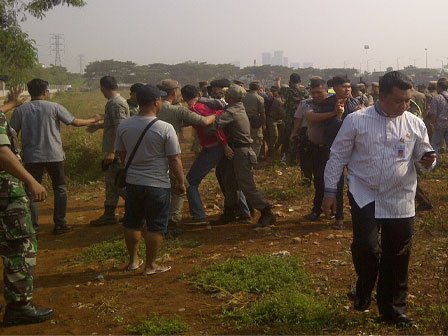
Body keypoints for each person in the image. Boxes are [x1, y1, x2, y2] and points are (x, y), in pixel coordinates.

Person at [322, 71, 436, 325]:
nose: (404, 106)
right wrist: (330, 191)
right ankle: (364, 288)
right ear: (380, 96)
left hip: (401, 196)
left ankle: (392, 308)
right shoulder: (356, 121)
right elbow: (338, 156)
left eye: (407, 101)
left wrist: (428, 159)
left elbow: (423, 155)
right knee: (366, 247)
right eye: (398, 100)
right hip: (365, 193)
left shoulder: (414, 123)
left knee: (398, 254)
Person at [11, 78, 102, 234]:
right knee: (60, 189)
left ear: (30, 92)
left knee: (31, 192)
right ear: (46, 92)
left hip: (32, 157)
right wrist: (94, 119)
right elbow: (75, 122)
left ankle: (33, 227)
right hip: (55, 155)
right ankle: (60, 223)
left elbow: (12, 133)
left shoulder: (21, 110)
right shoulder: (54, 107)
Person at [115, 84, 183, 275]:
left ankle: (133, 261)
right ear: (156, 102)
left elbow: (121, 152)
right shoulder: (165, 128)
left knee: (132, 222)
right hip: (157, 185)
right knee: (156, 225)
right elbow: (174, 159)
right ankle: (151, 265)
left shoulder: (125, 125)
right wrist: (180, 182)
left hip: (133, 183)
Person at [0, 87, 54, 324]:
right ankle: (19, 305)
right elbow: (2, 153)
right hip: (6, 193)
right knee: (19, 245)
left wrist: (11, 104)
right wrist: (30, 180)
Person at [156, 79, 216, 234]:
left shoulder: (153, 107)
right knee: (180, 185)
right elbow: (204, 121)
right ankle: (173, 220)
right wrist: (217, 114)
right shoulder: (178, 110)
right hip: (169, 153)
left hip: (151, 153)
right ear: (175, 92)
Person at [213, 84, 275, 228]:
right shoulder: (237, 108)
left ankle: (266, 212)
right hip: (236, 151)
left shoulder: (232, 111)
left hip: (241, 152)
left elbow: (214, 125)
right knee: (230, 183)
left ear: (230, 97)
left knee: (247, 185)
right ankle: (230, 213)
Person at [304, 75, 361, 229]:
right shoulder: (327, 104)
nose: (347, 89)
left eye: (349, 86)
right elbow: (331, 127)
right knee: (336, 183)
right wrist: (338, 115)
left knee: (355, 182)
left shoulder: (355, 103)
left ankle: (358, 215)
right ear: (334, 88)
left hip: (354, 149)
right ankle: (339, 217)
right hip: (334, 148)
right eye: (344, 86)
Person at [88, 76, 130, 226]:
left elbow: (120, 127)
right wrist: (99, 126)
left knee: (118, 183)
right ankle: (109, 213)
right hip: (117, 150)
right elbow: (114, 124)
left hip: (117, 152)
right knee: (112, 183)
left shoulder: (116, 104)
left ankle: (136, 208)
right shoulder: (115, 102)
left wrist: (112, 151)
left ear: (103, 88)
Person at [278, 74, 309, 165]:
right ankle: (298, 157)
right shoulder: (304, 92)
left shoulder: (286, 90)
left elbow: (279, 88)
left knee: (290, 137)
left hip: (289, 118)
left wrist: (278, 81)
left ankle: (291, 158)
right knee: (299, 136)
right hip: (300, 118)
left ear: (290, 81)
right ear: (300, 81)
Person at [242, 81, 266, 157]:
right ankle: (253, 159)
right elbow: (262, 113)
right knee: (257, 141)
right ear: (259, 88)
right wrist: (264, 124)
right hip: (255, 122)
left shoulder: (243, 96)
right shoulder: (259, 98)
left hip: (243, 120)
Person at [428, 77, 448, 155]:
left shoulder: (437, 98)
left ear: (439, 87)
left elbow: (433, 114)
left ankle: (435, 163)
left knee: (435, 145)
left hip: (440, 125)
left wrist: (433, 125)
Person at [266, 86, 285, 157]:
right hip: (272, 119)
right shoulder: (278, 100)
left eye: (274, 91)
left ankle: (275, 149)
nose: (273, 92)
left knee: (283, 135)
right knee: (274, 135)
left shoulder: (281, 98)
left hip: (279, 119)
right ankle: (270, 151)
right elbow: (283, 112)